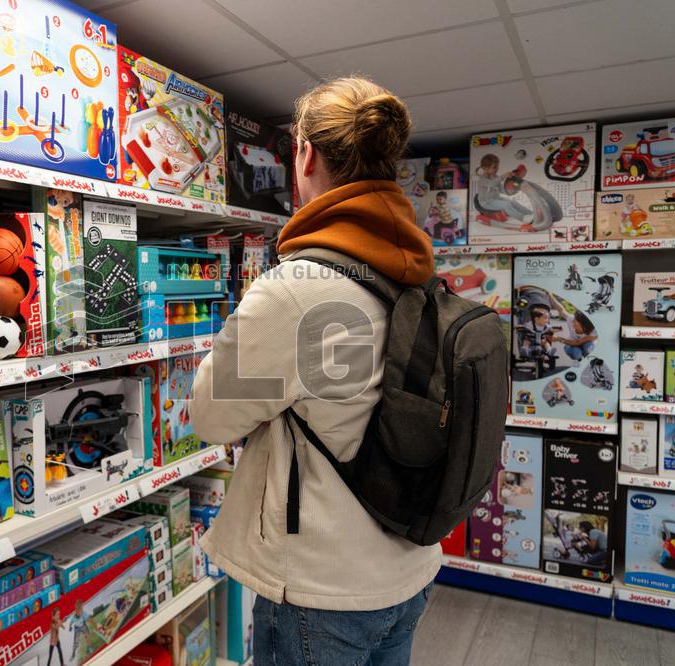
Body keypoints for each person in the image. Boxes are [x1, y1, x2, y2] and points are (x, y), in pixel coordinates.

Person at [191, 77, 438, 666]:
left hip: (322, 588)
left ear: (304, 154)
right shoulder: (417, 275)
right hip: (408, 566)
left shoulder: (298, 291)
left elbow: (209, 416)